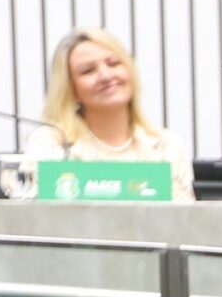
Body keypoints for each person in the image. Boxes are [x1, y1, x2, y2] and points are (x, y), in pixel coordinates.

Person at [25, 28, 195, 199]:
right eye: (88, 71)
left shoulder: (165, 145)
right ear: (70, 89)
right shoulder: (53, 143)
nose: (106, 75)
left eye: (113, 63)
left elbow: (183, 221)